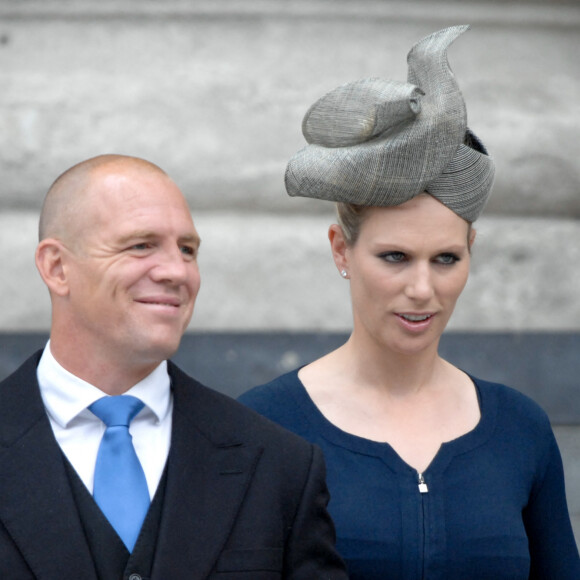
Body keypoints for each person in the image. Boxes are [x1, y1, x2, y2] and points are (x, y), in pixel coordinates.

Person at [239, 25, 580, 579]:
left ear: (472, 251)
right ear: (340, 250)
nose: (423, 289)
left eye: (445, 259)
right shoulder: (264, 427)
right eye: (395, 257)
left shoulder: (521, 429)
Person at [0, 154, 348, 579]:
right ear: (57, 267)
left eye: (188, 249)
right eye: (141, 245)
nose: (176, 271)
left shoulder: (277, 464)